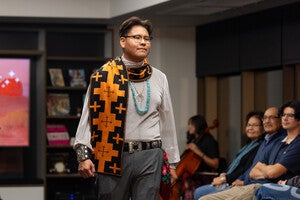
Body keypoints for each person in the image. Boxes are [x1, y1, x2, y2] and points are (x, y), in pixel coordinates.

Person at [73, 16, 180, 200]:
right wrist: (83, 155)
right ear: (123, 41)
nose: (143, 42)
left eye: (146, 39)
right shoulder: (103, 76)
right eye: (137, 37)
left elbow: (167, 121)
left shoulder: (159, 77)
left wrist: (172, 163)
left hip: (150, 154)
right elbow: (88, 118)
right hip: (114, 155)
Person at [199, 100, 300, 200]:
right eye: (284, 115)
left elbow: (272, 173)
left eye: (290, 115)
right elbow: (253, 171)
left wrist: (261, 168)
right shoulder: (279, 142)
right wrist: (264, 169)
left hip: (261, 186)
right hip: (251, 184)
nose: (285, 118)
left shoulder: (282, 141)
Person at [194, 110, 265, 200]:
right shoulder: (248, 145)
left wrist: (225, 179)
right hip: (228, 179)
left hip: (236, 183)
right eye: (249, 125)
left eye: (255, 125)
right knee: (198, 192)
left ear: (263, 128)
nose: (250, 128)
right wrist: (223, 175)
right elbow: (234, 165)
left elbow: (243, 169)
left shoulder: (260, 146)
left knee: (199, 193)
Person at [172, 114, 220, 200]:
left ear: (198, 125)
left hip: (203, 177)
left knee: (187, 188)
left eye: (191, 124)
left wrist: (198, 152)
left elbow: (215, 164)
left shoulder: (209, 141)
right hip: (191, 177)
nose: (189, 126)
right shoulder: (193, 140)